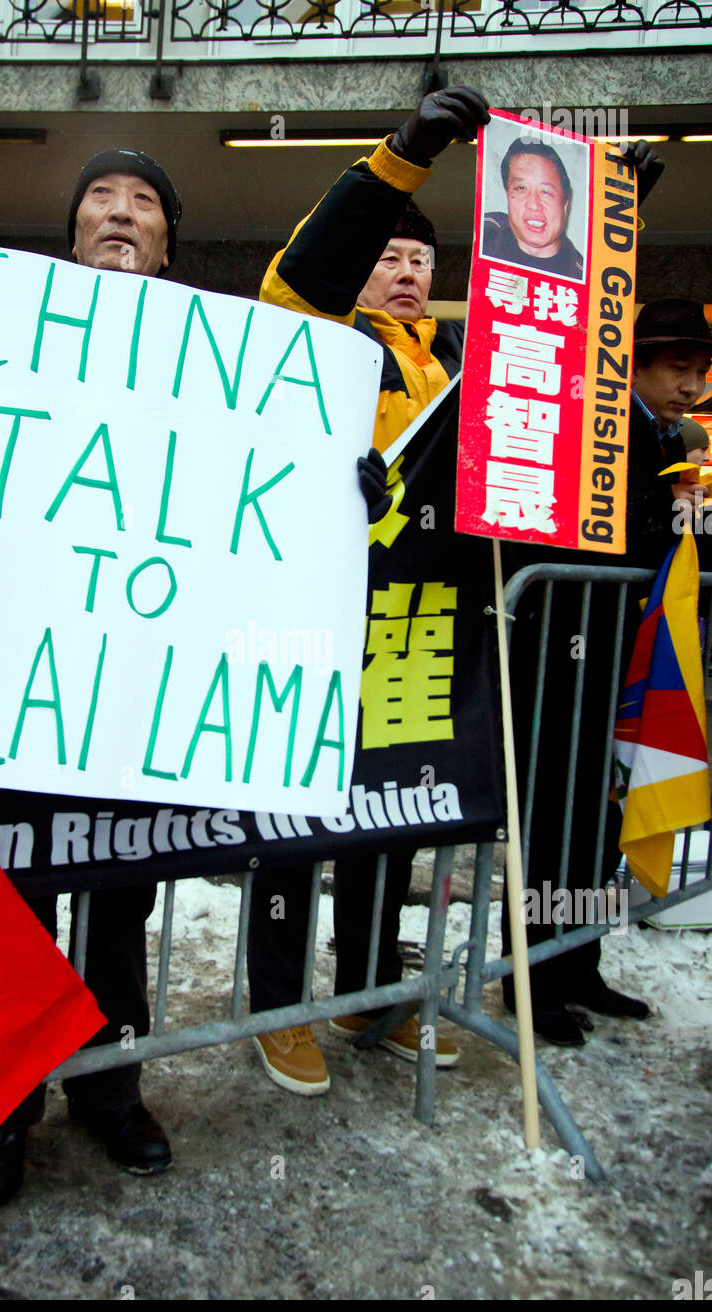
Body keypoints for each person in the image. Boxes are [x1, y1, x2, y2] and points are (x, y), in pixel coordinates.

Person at [0, 147, 389, 1201]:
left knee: (116, 910)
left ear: (168, 241)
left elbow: (265, 525)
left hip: (127, 712)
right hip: (0, 704)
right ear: (72, 228)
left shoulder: (224, 368)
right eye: (100, 197)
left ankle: (109, 1087)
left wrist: (341, 494)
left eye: (145, 199)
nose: (120, 212)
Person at [247, 86, 492, 1095]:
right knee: (294, 821)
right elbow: (307, 265)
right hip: (307, 619)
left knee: (385, 815)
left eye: (418, 258)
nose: (402, 269)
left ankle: (365, 995)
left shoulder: (446, 370)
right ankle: (277, 1009)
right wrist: (401, 154)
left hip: (403, 633)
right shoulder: (311, 329)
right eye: (387, 253)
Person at [501, 297, 712, 1045]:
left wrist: (693, 518)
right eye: (678, 370)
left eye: (700, 373)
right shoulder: (600, 428)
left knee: (602, 820)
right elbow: (593, 538)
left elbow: (682, 556)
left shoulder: (680, 439)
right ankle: (531, 977)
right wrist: (664, 511)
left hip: (633, 655)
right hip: (567, 649)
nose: (691, 388)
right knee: (554, 818)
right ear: (639, 365)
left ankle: (579, 959)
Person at [482, 136, 584, 281]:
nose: (534, 205)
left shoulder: (584, 277)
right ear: (507, 193)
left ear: (565, 203)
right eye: (521, 188)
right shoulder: (482, 232)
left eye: (546, 192)